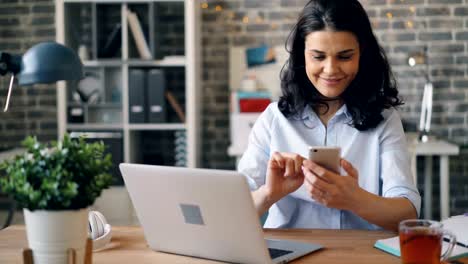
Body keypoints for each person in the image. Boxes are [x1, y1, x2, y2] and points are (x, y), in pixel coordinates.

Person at [237, 0, 420, 231]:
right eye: (318, 56)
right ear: (302, 56)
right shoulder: (274, 119)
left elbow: (408, 212)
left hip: (358, 253)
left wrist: (355, 199)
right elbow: (233, 209)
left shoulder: (385, 119)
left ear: (362, 54)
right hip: (289, 253)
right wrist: (269, 193)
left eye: (344, 56)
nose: (331, 69)